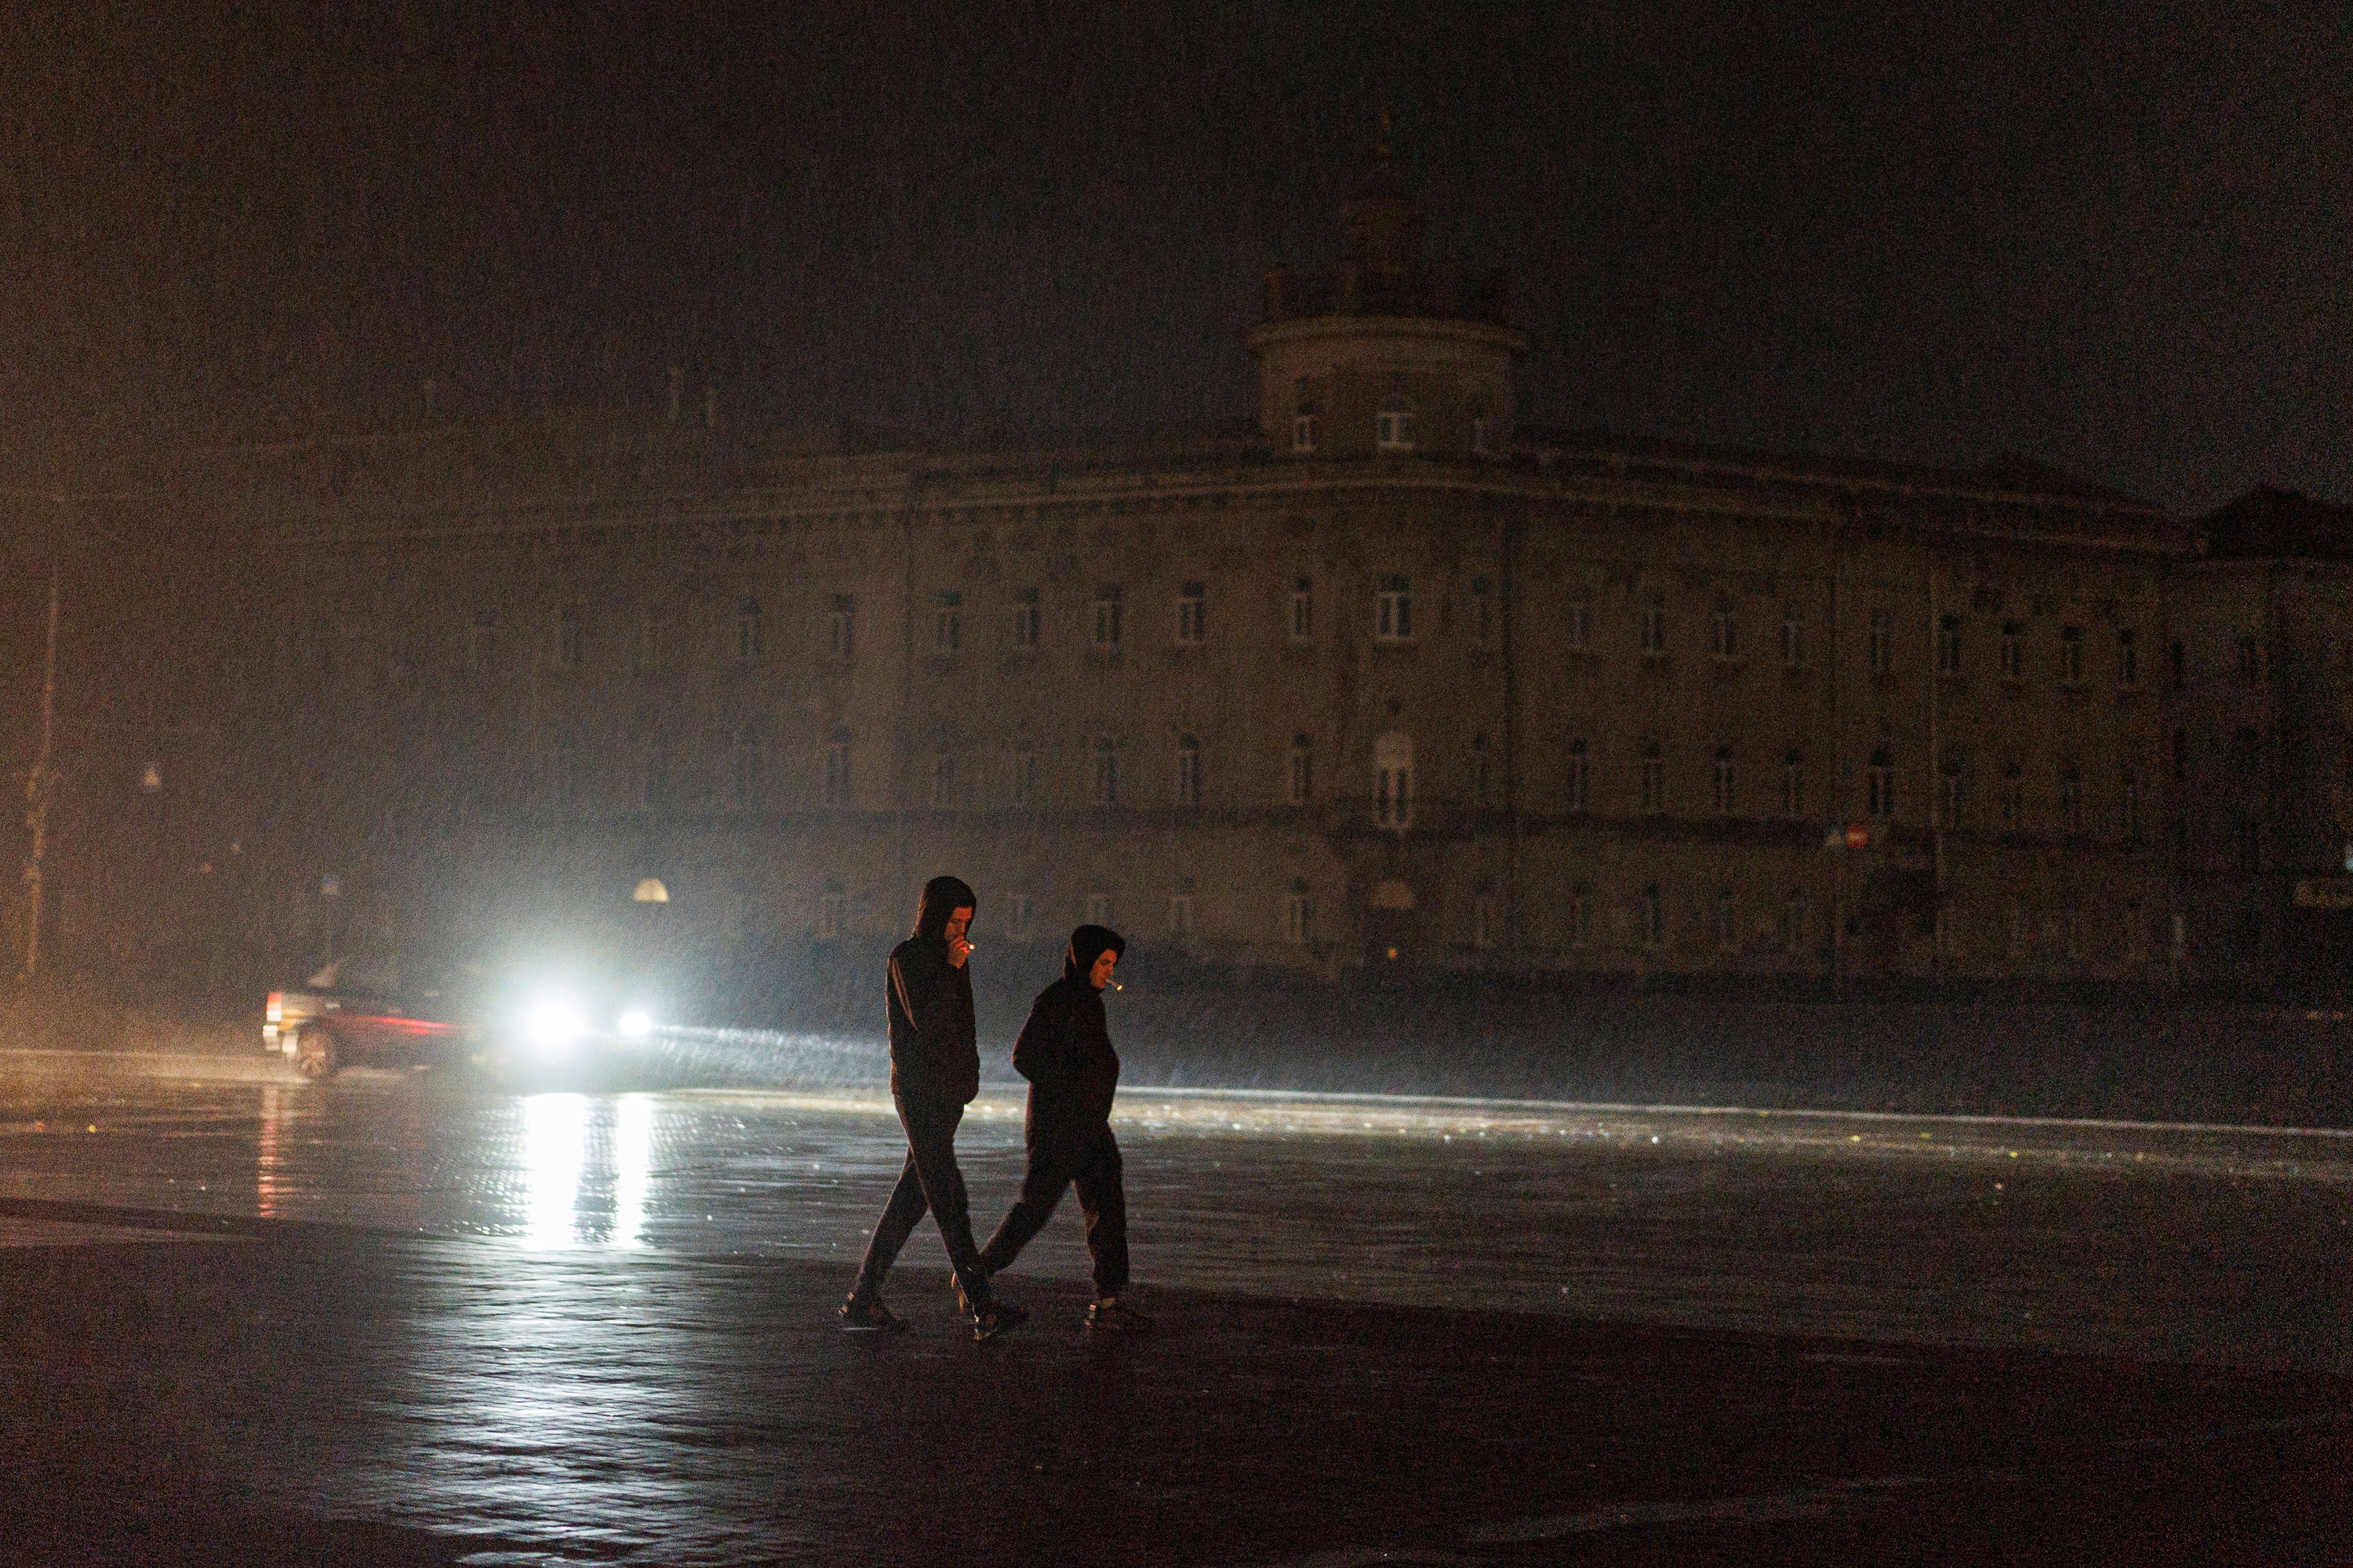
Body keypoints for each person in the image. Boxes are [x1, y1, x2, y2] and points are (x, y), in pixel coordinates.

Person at [840, 875, 1025, 1340]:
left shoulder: (953, 959)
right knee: (946, 1195)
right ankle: (983, 1304)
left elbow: (964, 1024)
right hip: (919, 1093)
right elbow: (926, 1019)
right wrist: (949, 967)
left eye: (966, 921)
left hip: (947, 1094)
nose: (960, 929)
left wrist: (970, 1076)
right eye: (954, 919)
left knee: (914, 1194)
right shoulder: (908, 958)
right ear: (934, 915)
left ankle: (863, 1297)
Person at [976, 924, 1147, 1331]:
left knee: (1108, 1207)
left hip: (1089, 1128)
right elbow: (1024, 1055)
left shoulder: (1091, 1004)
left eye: (1112, 964)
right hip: (1057, 1128)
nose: (1109, 971)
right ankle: (975, 1275)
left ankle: (1108, 1299)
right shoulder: (1055, 1001)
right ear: (1084, 960)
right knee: (1034, 1209)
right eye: (1104, 962)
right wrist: (1069, 1084)